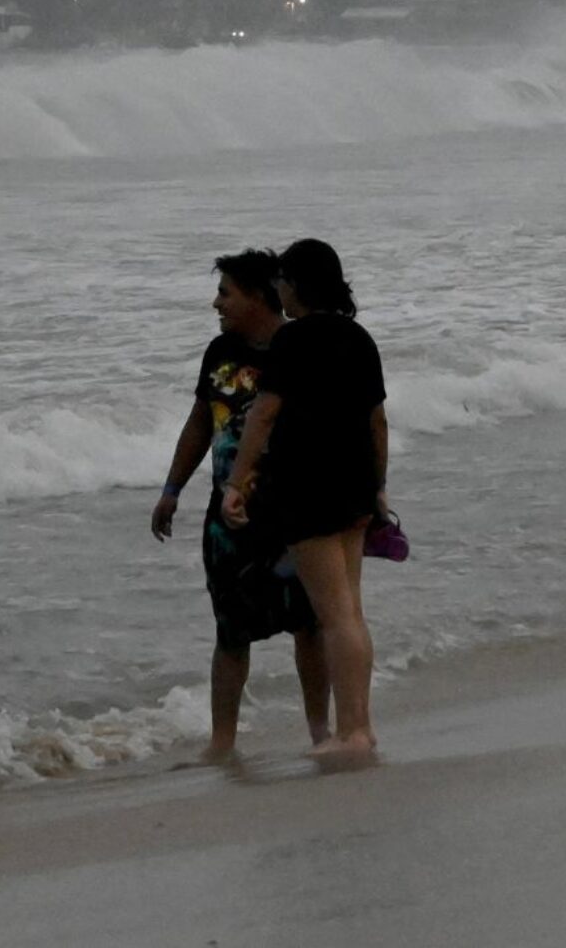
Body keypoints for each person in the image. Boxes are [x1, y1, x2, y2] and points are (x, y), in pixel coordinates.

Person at [150, 250, 328, 761]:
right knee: (230, 630)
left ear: (257, 295)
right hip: (227, 519)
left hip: (295, 512)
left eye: (226, 292)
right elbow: (201, 421)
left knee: (309, 625)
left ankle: (321, 734)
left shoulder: (298, 349)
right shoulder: (220, 352)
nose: (216, 303)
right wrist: (171, 489)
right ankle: (222, 744)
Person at [222, 239, 387, 767]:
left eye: (284, 282)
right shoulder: (359, 338)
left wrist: (237, 481)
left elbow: (263, 416)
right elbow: (376, 421)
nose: (279, 290)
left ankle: (353, 732)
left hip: (308, 490)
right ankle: (361, 726)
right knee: (351, 612)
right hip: (355, 485)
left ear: (299, 284)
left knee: (334, 615)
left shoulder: (293, 341)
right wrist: (378, 485)